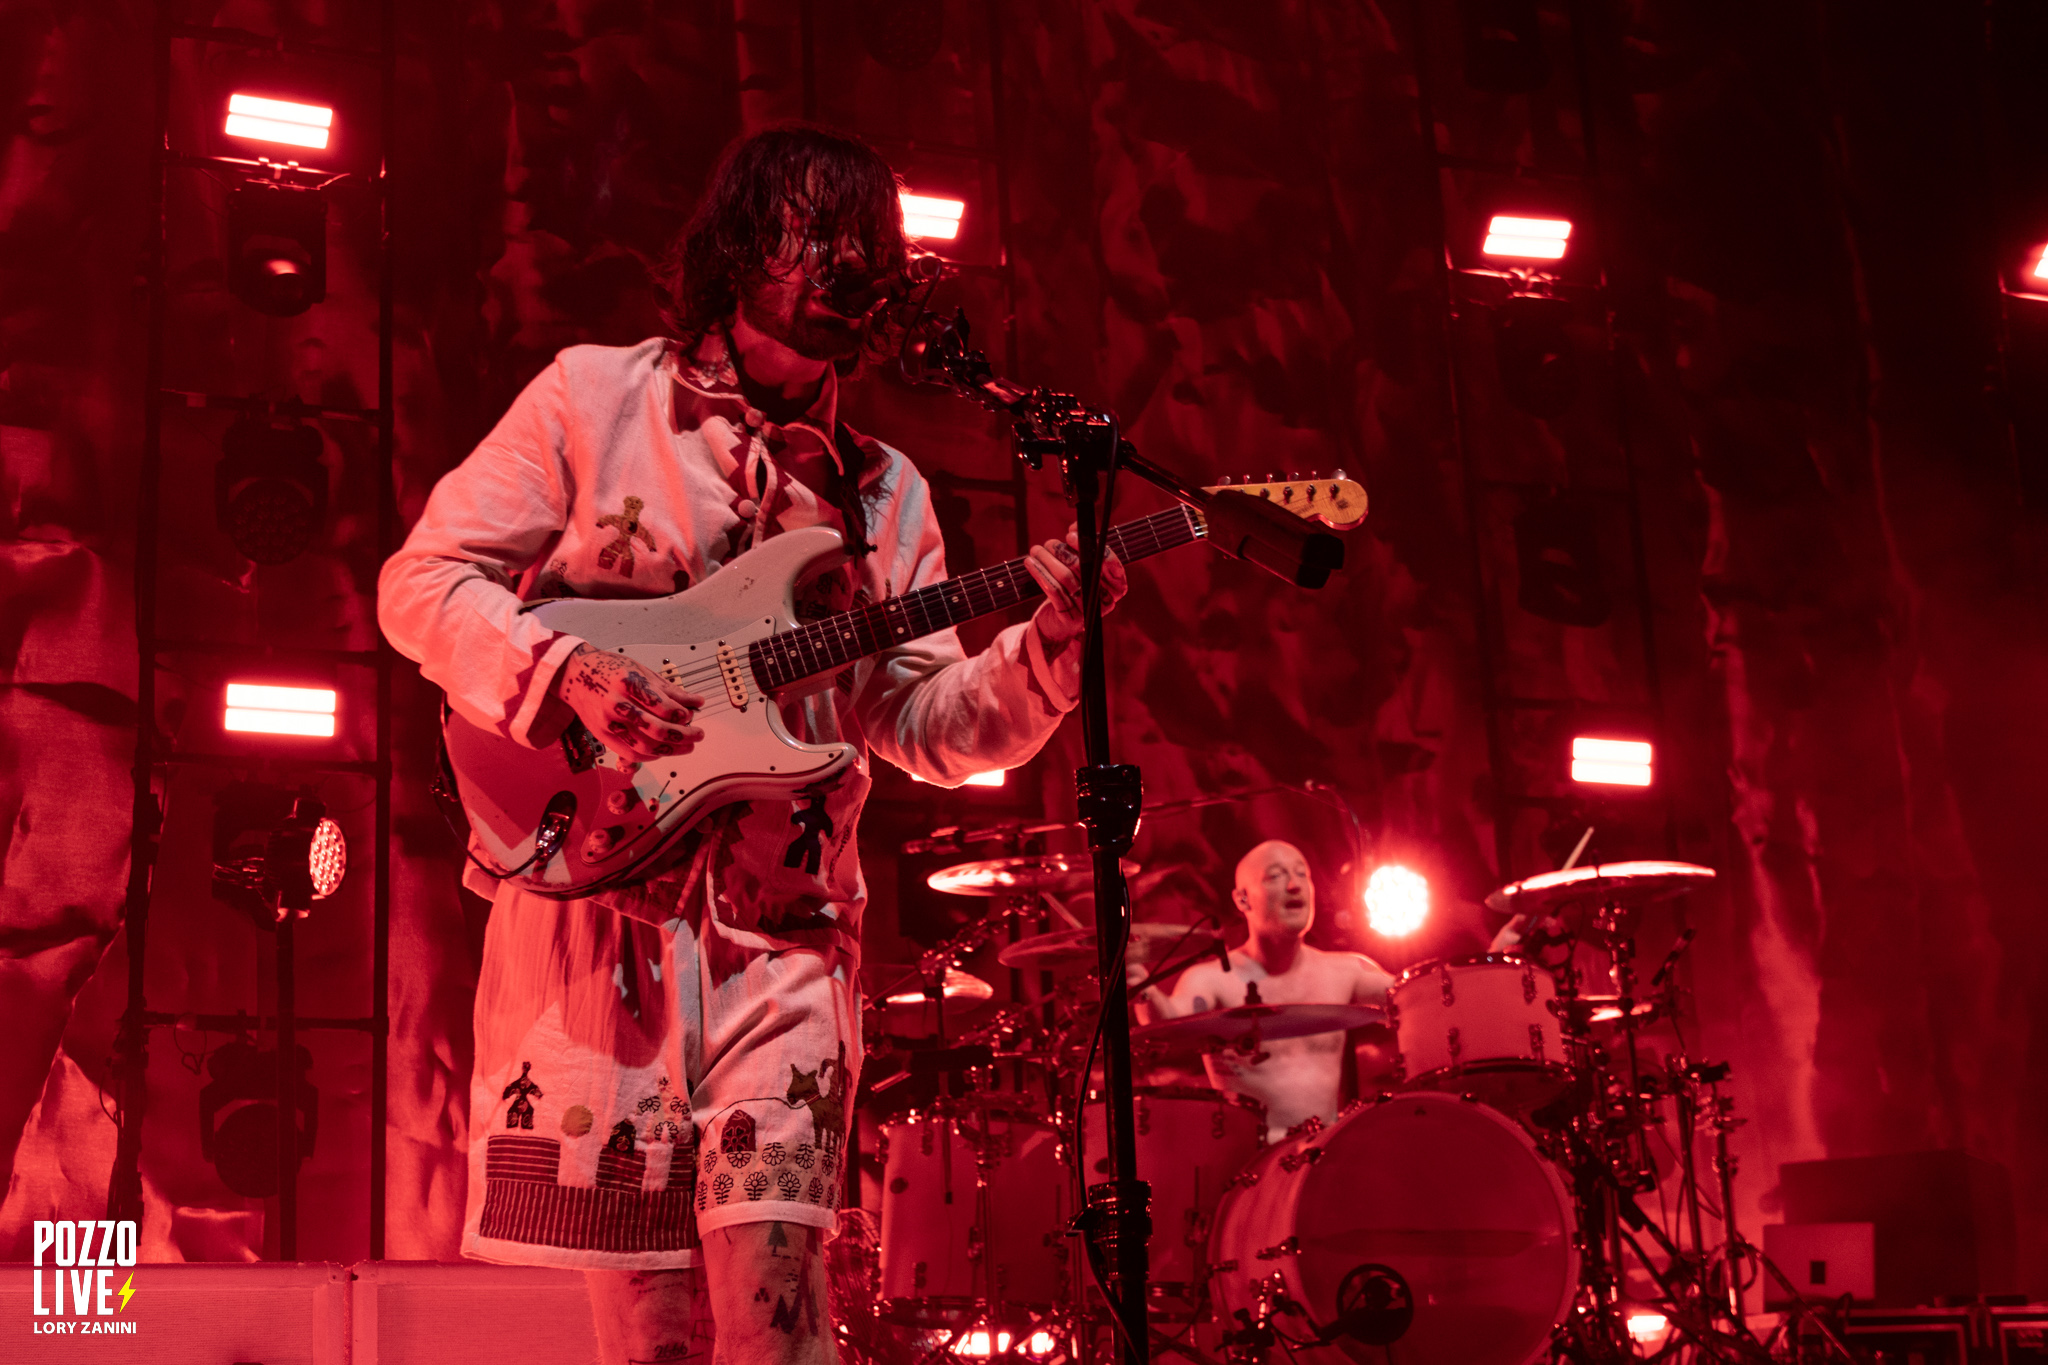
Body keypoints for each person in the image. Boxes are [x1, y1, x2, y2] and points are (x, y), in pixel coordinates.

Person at [378, 124, 1127, 1365]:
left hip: (784, 934)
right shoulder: (592, 398)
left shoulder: (883, 492)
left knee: (782, 1316)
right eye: (815, 235)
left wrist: (1046, 648)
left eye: (867, 244)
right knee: (650, 1334)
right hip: (597, 922)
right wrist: (568, 670)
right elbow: (423, 584)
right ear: (739, 250)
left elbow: (930, 727)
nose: (846, 263)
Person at [1129, 839, 1391, 1141]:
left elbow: (1414, 997)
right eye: (1276, 876)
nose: (1294, 885)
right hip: (1250, 1164)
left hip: (1324, 1158)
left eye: (1302, 874)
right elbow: (1167, 1021)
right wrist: (1142, 988)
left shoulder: (1348, 970)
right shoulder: (1211, 979)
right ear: (1243, 900)